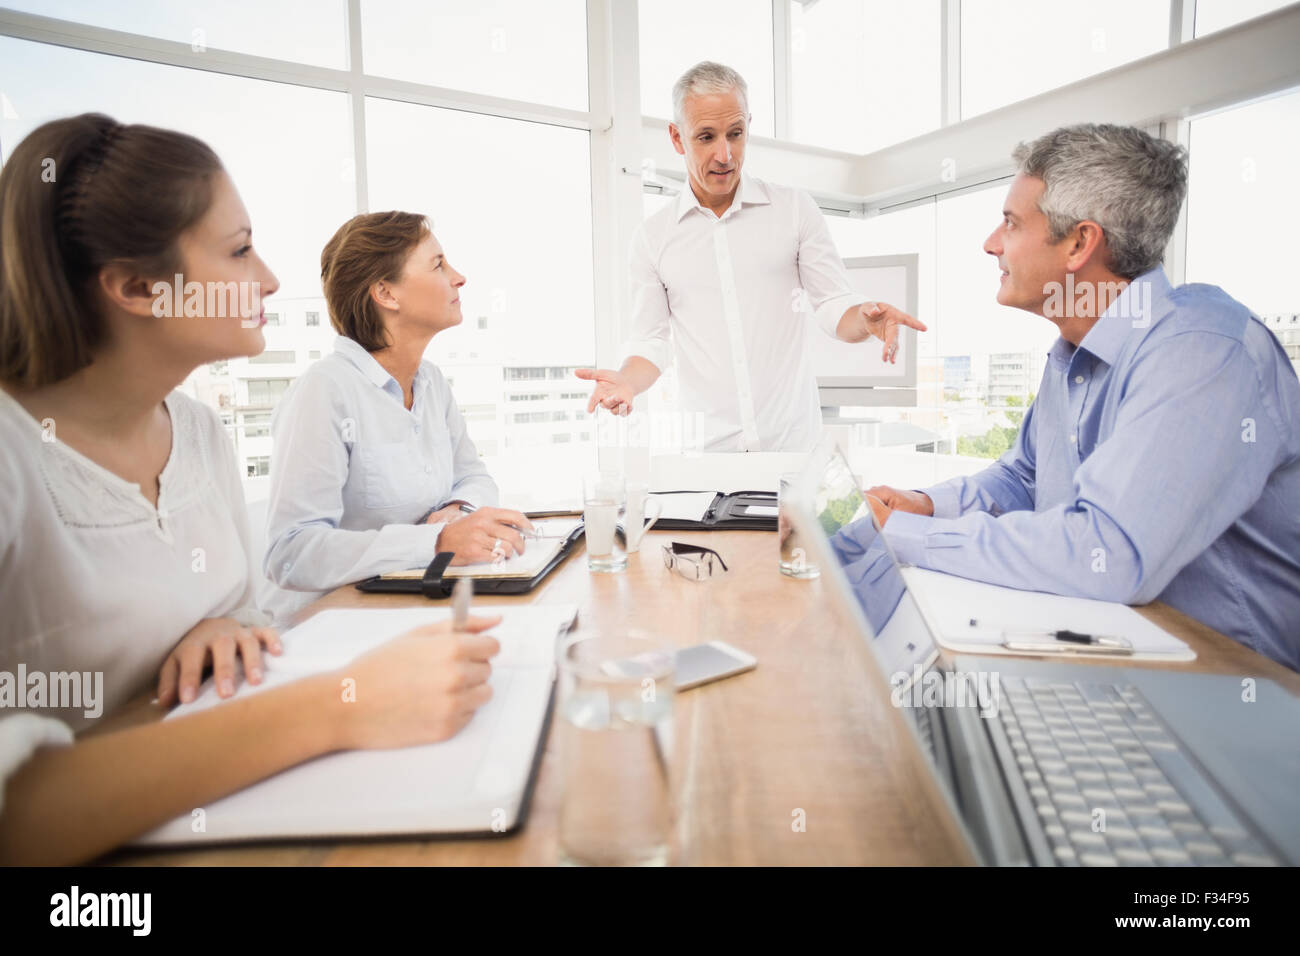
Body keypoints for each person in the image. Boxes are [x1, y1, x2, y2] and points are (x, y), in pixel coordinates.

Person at [0, 114, 500, 865]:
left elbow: (235, 603)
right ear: (139, 287)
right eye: (238, 251)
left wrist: (219, 624)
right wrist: (342, 705)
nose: (268, 279)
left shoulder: (198, 431)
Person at [865, 123, 1300, 671]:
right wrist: (925, 506)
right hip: (1120, 653)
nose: (991, 243)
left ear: (1079, 244)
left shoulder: (1204, 351)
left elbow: (1107, 553)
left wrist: (905, 535)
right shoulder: (1072, 353)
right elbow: (1024, 478)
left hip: (1240, 688)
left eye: (1010, 223)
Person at [577, 61, 926, 452]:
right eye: (706, 137)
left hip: (794, 449)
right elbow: (651, 341)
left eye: (736, 134)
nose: (725, 154)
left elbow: (831, 305)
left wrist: (864, 318)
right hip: (709, 457)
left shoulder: (794, 209)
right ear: (677, 138)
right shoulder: (653, 237)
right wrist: (627, 381)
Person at [261, 212, 534, 625]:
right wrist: (436, 540)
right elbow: (291, 553)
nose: (459, 278)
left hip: (411, 610)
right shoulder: (325, 391)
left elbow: (476, 477)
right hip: (332, 631)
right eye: (439, 264)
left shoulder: (431, 382)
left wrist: (458, 508)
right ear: (386, 293)